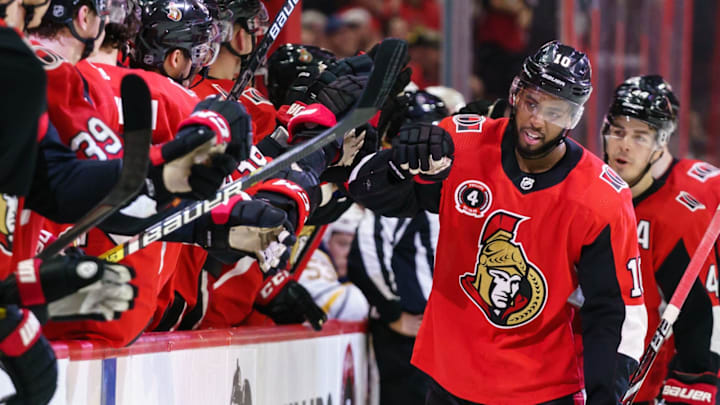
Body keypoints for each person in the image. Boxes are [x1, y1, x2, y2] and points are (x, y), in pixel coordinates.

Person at [347, 40, 647, 404]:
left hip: (541, 390)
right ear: (516, 95)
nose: (537, 120)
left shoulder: (601, 198)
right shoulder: (462, 143)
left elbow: (610, 312)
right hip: (449, 380)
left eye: (555, 112)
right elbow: (365, 190)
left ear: (572, 118)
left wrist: (604, 398)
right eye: (532, 102)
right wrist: (398, 164)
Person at [606, 75, 720, 404]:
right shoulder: (596, 193)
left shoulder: (700, 193)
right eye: (618, 131)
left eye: (640, 135)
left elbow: (700, 312)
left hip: (667, 378)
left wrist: (693, 382)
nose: (625, 145)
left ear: (662, 140)